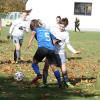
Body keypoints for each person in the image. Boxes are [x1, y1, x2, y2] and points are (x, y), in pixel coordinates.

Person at [43, 17, 80, 88]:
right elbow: (47, 37)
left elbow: (68, 44)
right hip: (51, 51)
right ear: (59, 24)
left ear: (65, 26)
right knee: (46, 67)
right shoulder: (53, 30)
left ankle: (66, 82)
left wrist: (74, 51)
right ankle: (44, 82)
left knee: (63, 68)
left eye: (63, 27)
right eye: (60, 26)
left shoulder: (66, 34)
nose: (61, 28)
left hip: (61, 52)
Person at [27, 19, 62, 88]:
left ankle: (38, 74)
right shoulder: (46, 30)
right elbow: (55, 40)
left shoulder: (35, 29)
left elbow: (33, 34)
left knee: (34, 63)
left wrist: (29, 43)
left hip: (42, 48)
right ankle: (60, 83)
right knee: (53, 67)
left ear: (33, 26)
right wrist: (56, 42)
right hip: (51, 49)